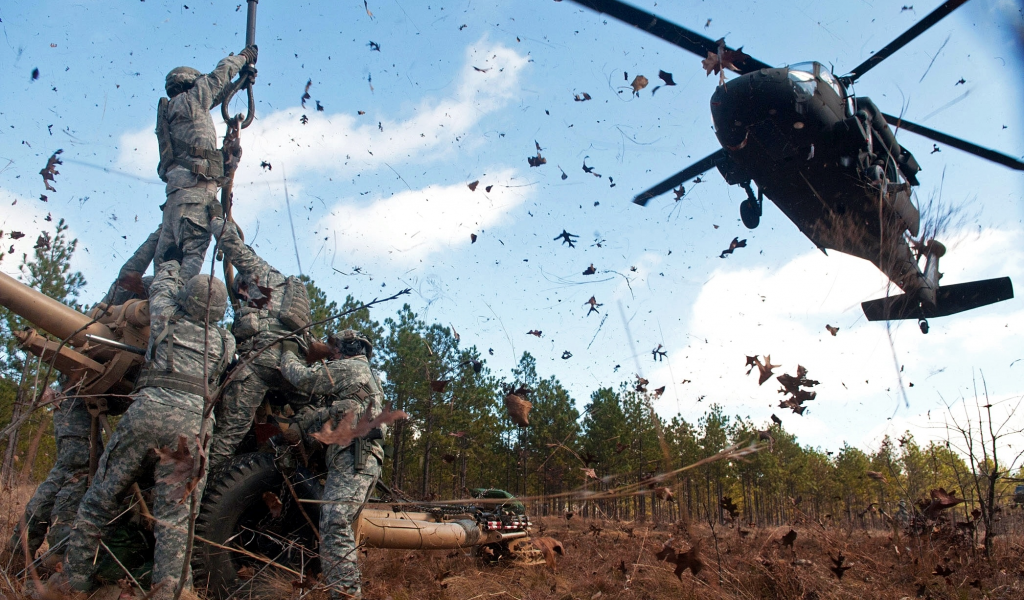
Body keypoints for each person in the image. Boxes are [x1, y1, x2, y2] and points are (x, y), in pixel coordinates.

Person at [58, 255, 235, 600]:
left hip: (149, 411)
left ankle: (72, 584)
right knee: (176, 518)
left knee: (100, 499)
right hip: (192, 427)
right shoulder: (226, 342)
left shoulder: (166, 317)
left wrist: (171, 264)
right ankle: (172, 592)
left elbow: (163, 289)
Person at [6, 235, 161, 568]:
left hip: (106, 399)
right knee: (77, 467)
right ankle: (36, 553)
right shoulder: (120, 301)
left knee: (83, 471)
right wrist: (159, 234)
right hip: (76, 396)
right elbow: (131, 267)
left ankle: (45, 552)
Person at [278, 329, 385, 600]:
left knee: (335, 524)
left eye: (335, 347)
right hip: (362, 457)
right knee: (340, 526)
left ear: (348, 349)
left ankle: (347, 596)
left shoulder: (348, 368)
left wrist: (286, 352)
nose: (332, 353)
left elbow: (302, 378)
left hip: (354, 456)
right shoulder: (370, 376)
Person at [205, 216, 312, 474]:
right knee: (313, 417)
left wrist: (214, 218)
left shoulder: (257, 270)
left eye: (241, 290)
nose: (241, 295)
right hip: (292, 367)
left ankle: (204, 489)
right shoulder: (287, 288)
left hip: (260, 361)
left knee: (226, 438)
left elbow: (231, 242)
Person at [152, 46, 257, 282]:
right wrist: (242, 59)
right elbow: (217, 78)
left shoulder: (172, 111)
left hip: (173, 203)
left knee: (164, 271)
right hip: (196, 199)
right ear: (191, 84)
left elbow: (217, 94)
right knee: (191, 265)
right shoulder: (192, 100)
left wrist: (241, 80)